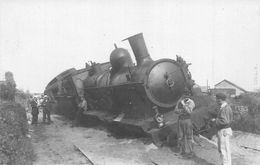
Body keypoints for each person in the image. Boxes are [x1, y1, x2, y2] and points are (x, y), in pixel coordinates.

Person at [211, 93, 233, 165]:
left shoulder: (225, 108)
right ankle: (224, 163)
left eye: (217, 99)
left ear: (220, 99)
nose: (216, 101)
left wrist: (215, 120)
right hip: (223, 130)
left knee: (224, 150)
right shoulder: (224, 107)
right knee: (222, 149)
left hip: (224, 131)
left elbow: (224, 121)